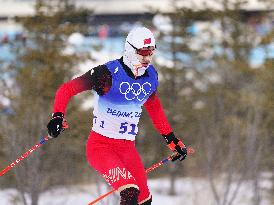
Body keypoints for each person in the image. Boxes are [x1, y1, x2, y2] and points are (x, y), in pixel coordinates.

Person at [47, 27, 188, 205]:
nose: (147, 58)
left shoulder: (151, 76)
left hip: (127, 149)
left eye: (151, 52)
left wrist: (171, 139)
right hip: (101, 147)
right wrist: (57, 116)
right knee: (130, 194)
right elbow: (67, 89)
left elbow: (154, 106)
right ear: (130, 50)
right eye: (143, 52)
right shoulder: (106, 75)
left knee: (144, 200)